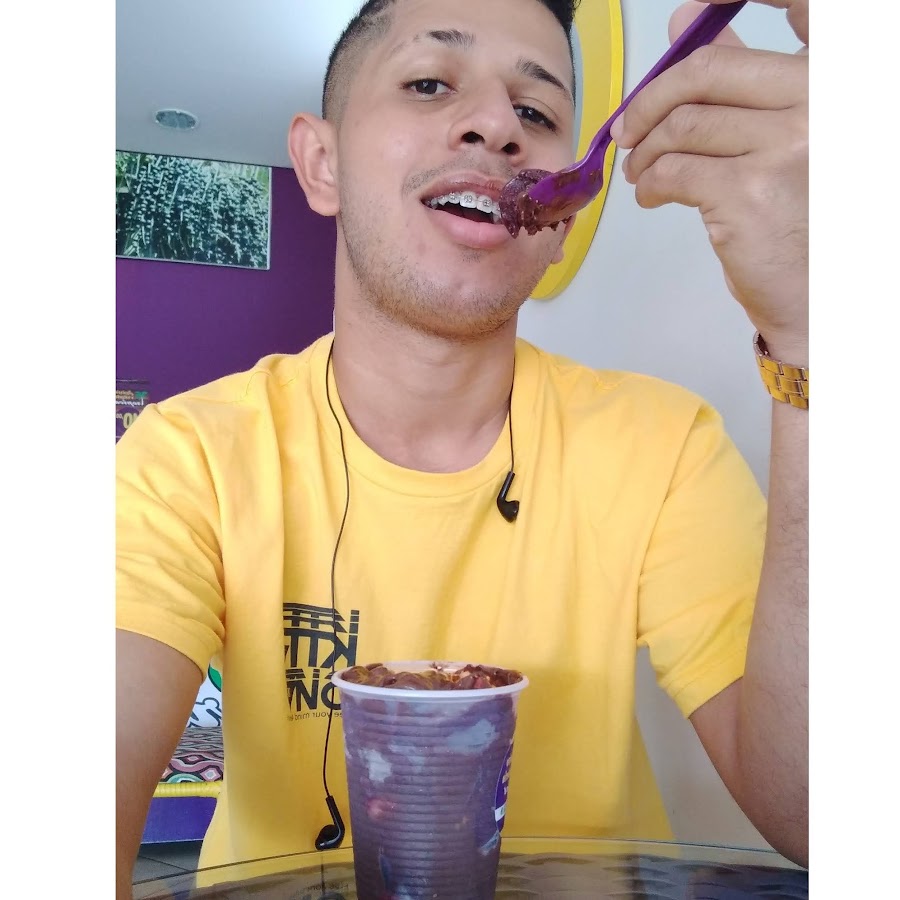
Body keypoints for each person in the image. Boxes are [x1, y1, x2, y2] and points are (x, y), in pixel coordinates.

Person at [116, 0, 808, 894]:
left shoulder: (665, 444)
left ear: (564, 218)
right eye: (429, 84)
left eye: (536, 111)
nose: (495, 125)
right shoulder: (186, 458)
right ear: (321, 164)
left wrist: (813, 329)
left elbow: (813, 811)